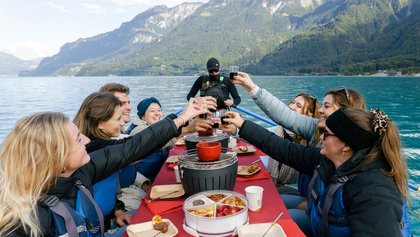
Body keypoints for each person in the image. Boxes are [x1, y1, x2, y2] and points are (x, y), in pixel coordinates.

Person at [0, 98, 210, 236]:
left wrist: (181, 118)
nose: (86, 140)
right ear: (55, 156)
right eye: (77, 139)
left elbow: (130, 148)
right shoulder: (22, 220)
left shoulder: (81, 172)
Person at [223, 108, 410, 237]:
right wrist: (243, 124)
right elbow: (285, 150)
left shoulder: (373, 192)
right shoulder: (328, 161)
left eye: (327, 134)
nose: (320, 137)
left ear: (345, 145)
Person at [231, 72, 366, 199]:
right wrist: (253, 89)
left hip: (316, 209)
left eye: (327, 106)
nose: (320, 110)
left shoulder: (353, 160)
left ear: (345, 113)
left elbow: (285, 149)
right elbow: (286, 116)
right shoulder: (317, 128)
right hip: (310, 199)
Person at [267, 93, 319, 192]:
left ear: (309, 115)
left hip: (295, 187)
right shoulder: (280, 128)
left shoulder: (310, 140)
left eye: (298, 106)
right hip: (275, 180)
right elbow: (265, 133)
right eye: (293, 102)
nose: (291, 106)